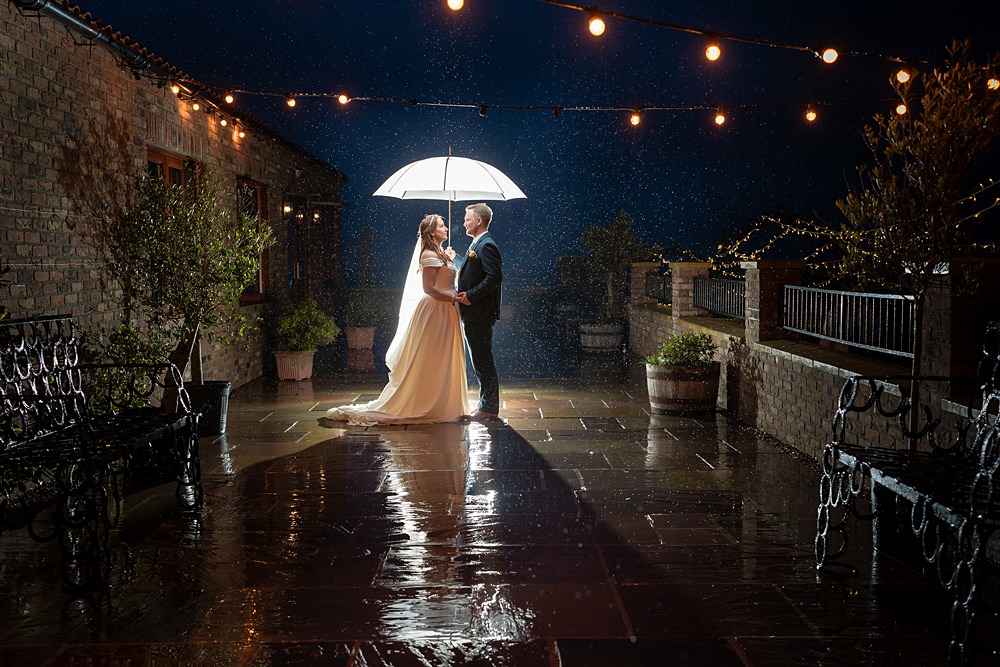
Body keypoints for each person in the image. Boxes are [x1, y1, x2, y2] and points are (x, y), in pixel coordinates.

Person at [325, 214, 471, 425]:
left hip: (448, 310)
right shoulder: (429, 255)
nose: (447, 228)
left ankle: (447, 400)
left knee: (445, 355)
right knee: (433, 355)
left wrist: (449, 258)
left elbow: (447, 278)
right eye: (442, 226)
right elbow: (429, 288)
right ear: (432, 233)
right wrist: (452, 297)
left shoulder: (440, 254)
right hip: (437, 310)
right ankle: (429, 402)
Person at [456, 202, 502, 421]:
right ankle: (485, 403)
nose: (464, 223)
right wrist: (455, 257)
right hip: (473, 313)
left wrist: (470, 296)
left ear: (478, 221)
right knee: (479, 358)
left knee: (483, 359)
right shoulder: (477, 244)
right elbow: (472, 271)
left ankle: (489, 408)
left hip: (479, 313)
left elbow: (494, 278)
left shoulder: (487, 245)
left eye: (467, 219)